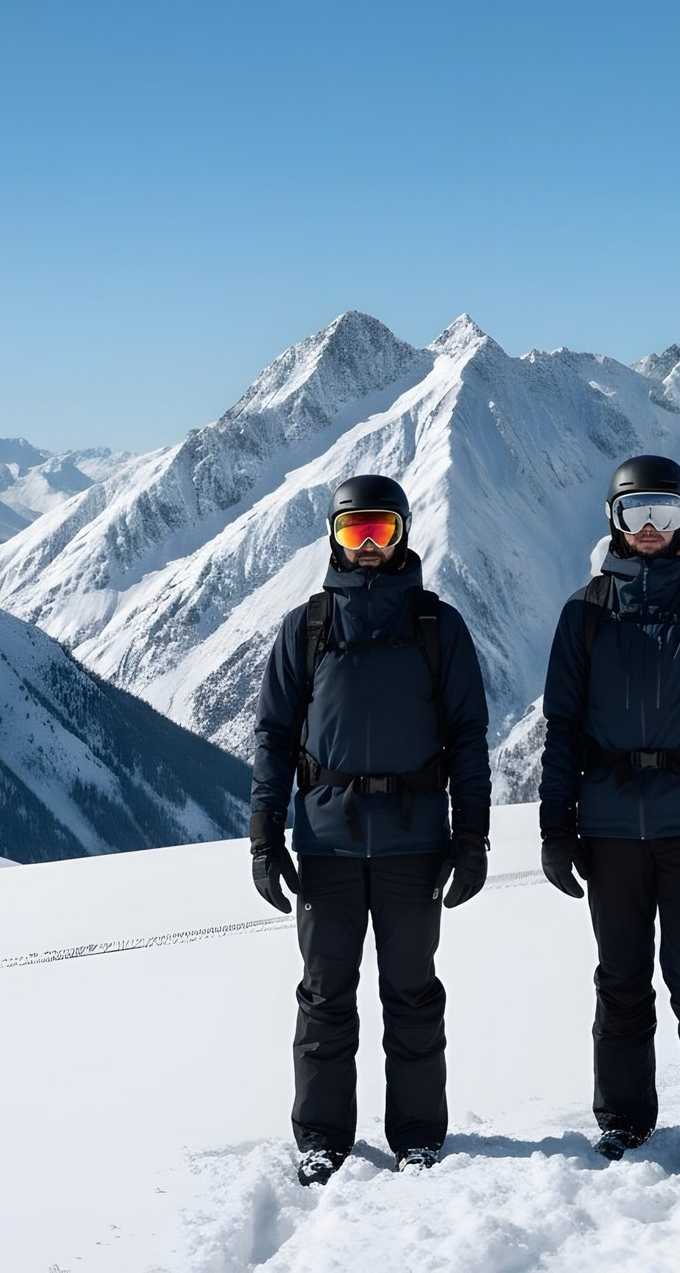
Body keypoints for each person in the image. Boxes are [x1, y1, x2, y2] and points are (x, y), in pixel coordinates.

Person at [538, 453, 680, 1194]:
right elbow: (562, 730)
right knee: (620, 981)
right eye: (636, 511)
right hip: (608, 827)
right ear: (612, 518)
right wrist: (554, 826)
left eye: (663, 512)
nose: (648, 527)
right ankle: (624, 1122)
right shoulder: (584, 613)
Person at [248, 473, 492, 1186]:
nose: (367, 545)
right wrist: (266, 837)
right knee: (325, 996)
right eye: (354, 530)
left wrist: (471, 837)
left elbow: (469, 739)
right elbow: (271, 736)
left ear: (404, 533)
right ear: (332, 536)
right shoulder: (309, 626)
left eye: (380, 529)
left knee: (412, 994)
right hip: (326, 842)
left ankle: (418, 1137)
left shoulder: (436, 627)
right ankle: (322, 1138)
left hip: (414, 843)